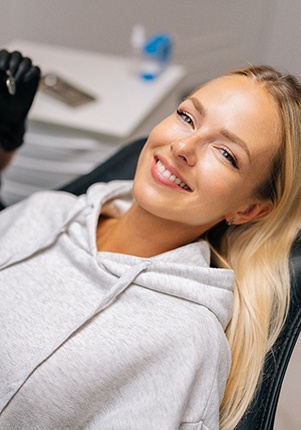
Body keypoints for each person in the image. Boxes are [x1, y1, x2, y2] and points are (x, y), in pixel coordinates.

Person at [0, 50, 301, 430]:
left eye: (225, 153)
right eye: (187, 117)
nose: (182, 148)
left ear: (248, 210)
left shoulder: (184, 341)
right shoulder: (50, 210)